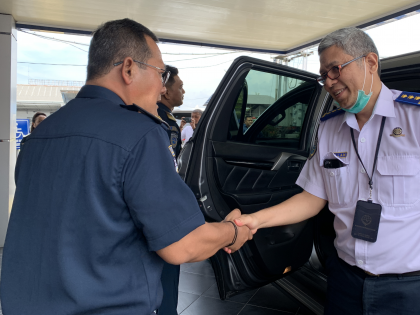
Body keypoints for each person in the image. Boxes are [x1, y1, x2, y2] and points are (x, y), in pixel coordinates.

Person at [227, 27, 420, 315]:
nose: (329, 81)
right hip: (346, 283)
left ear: (371, 63)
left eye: (335, 69)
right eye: (324, 74)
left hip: (414, 290)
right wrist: (254, 220)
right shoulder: (330, 128)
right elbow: (312, 198)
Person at [0, 18, 253, 315]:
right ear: (129, 68)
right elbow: (182, 245)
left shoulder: (39, 136)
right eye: (161, 73)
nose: (162, 87)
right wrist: (233, 233)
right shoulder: (140, 133)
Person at [157, 65, 184, 158]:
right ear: (167, 93)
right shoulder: (166, 121)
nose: (183, 91)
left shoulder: (156, 113)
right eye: (180, 87)